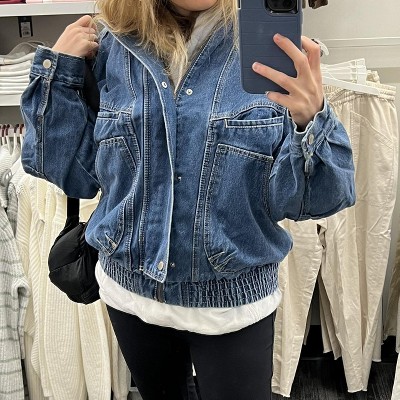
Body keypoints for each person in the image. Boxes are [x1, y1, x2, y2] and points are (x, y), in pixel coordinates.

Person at [20, 0, 356, 399]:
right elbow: (75, 175)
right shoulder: (112, 44)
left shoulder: (266, 46)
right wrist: (58, 75)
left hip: (232, 305)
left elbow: (316, 201)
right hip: (131, 296)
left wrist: (311, 121)